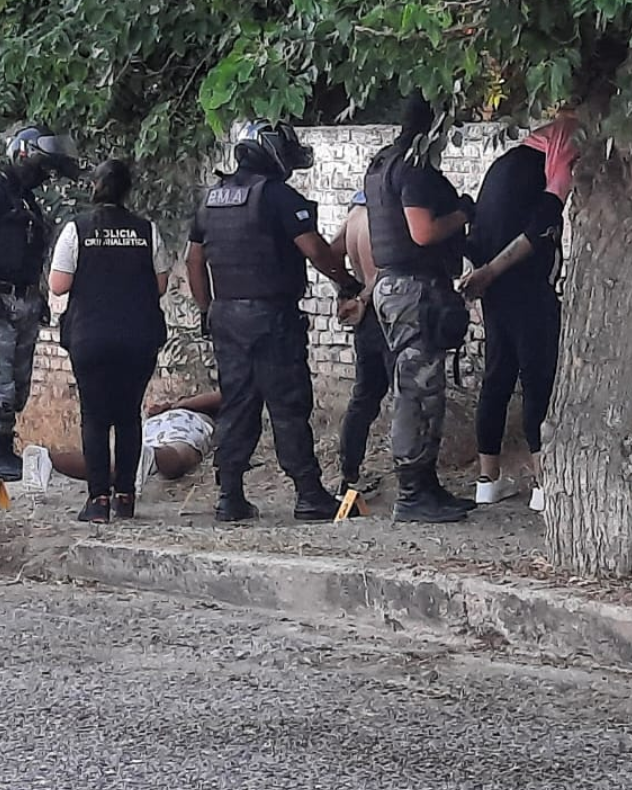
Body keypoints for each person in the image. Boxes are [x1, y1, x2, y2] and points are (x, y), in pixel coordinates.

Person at [187, 120, 364, 523]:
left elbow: (193, 261)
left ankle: (229, 496)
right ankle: (308, 494)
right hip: (271, 317)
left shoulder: (211, 199)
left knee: (237, 404)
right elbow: (315, 251)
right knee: (287, 404)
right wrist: (348, 282)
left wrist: (207, 309)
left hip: (226, 316)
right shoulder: (277, 195)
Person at [365, 94, 476, 524]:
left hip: (399, 286)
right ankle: (412, 494)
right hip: (413, 289)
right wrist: (463, 213)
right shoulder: (411, 166)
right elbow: (423, 231)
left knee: (425, 392)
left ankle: (426, 486)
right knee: (415, 393)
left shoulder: (384, 163)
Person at [459, 114, 578, 511]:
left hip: (494, 291)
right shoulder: (547, 171)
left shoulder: (502, 167)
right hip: (524, 286)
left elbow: (476, 235)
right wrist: (494, 270)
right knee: (538, 378)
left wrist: (481, 276)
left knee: (497, 377)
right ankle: (544, 486)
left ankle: (486, 481)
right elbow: (537, 229)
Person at [48, 159, 171, 523]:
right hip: (139, 337)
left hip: (91, 337)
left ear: (94, 188)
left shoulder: (77, 229)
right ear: (128, 191)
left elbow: (58, 284)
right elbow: (160, 285)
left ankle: (98, 501)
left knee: (95, 418)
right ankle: (126, 497)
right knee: (129, 417)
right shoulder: (146, 230)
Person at [0, 125, 79, 480]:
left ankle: (5, 447)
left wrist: (40, 295)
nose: (44, 176)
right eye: (41, 167)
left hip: (26, 297)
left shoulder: (25, 199)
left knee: (18, 382)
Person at [333, 192, 390, 495]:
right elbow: (388, 266)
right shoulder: (381, 217)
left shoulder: (354, 217)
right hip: (387, 309)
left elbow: (329, 252)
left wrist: (347, 287)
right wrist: (365, 294)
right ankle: (414, 481)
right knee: (409, 395)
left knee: (364, 397)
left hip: (366, 317)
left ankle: (349, 474)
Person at [42, 392, 220, 489]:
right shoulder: (234, 395)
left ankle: (49, 459)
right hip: (188, 421)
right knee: (182, 453)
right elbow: (222, 396)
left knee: (111, 468)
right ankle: (152, 458)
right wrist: (177, 405)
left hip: (157, 423)